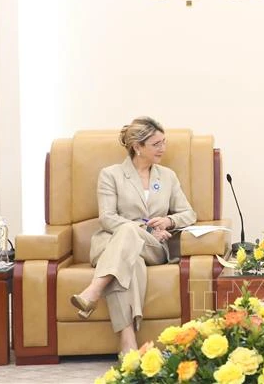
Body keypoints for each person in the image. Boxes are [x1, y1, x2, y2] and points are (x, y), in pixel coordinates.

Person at [70, 116, 197, 354]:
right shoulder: (111, 175)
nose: (163, 148)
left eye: (164, 142)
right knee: (131, 264)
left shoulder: (167, 176)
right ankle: (128, 343)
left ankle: (93, 290)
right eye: (156, 144)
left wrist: (169, 220)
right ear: (137, 147)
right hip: (112, 244)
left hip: (154, 248)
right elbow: (107, 218)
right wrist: (144, 229)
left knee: (131, 238)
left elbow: (189, 213)